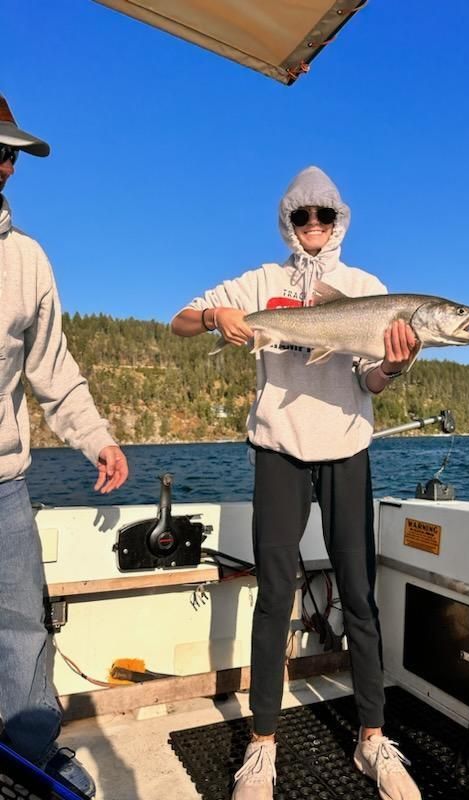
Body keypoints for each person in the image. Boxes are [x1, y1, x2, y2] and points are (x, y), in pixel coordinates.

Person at [171, 166, 421, 800]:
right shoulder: (260, 281)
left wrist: (392, 367)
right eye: (303, 215)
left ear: (340, 221)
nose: (314, 226)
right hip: (278, 449)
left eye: (325, 216)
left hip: (346, 449)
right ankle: (261, 746)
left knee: (359, 594)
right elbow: (179, 319)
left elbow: (369, 384)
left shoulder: (368, 290)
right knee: (274, 594)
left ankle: (371, 737)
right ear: (289, 220)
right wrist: (214, 316)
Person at [0, 93, 129, 798]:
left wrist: (97, 439)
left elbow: (53, 370)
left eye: (9, 154)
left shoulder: (28, 261)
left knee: (24, 637)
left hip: (5, 485)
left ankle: (26, 765)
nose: (5, 167)